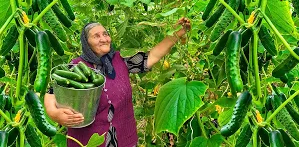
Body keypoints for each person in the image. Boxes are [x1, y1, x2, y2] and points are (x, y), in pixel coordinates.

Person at [44, 17, 191, 147]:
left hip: (124, 139)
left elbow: (152, 56)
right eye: (96, 36)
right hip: (87, 142)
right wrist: (54, 113)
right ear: (86, 43)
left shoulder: (121, 60)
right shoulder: (76, 66)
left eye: (105, 34)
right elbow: (51, 92)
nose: (103, 38)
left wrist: (177, 33)